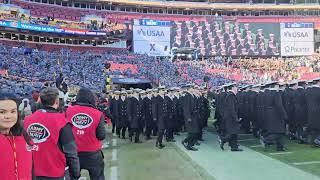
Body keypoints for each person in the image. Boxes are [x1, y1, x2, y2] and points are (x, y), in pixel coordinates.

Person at [24, 87, 80, 180]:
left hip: (32, 172)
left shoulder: (27, 120)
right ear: (57, 101)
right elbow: (71, 152)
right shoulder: (62, 122)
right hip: (54, 172)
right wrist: (76, 174)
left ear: (41, 101)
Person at [66, 88, 106, 180]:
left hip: (73, 153)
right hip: (93, 153)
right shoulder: (98, 114)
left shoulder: (68, 111)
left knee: (72, 177)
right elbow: (101, 136)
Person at [0, 91, 33, 180]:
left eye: (12, 111)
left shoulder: (24, 136)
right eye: (2, 112)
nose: (8, 116)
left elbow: (31, 169)